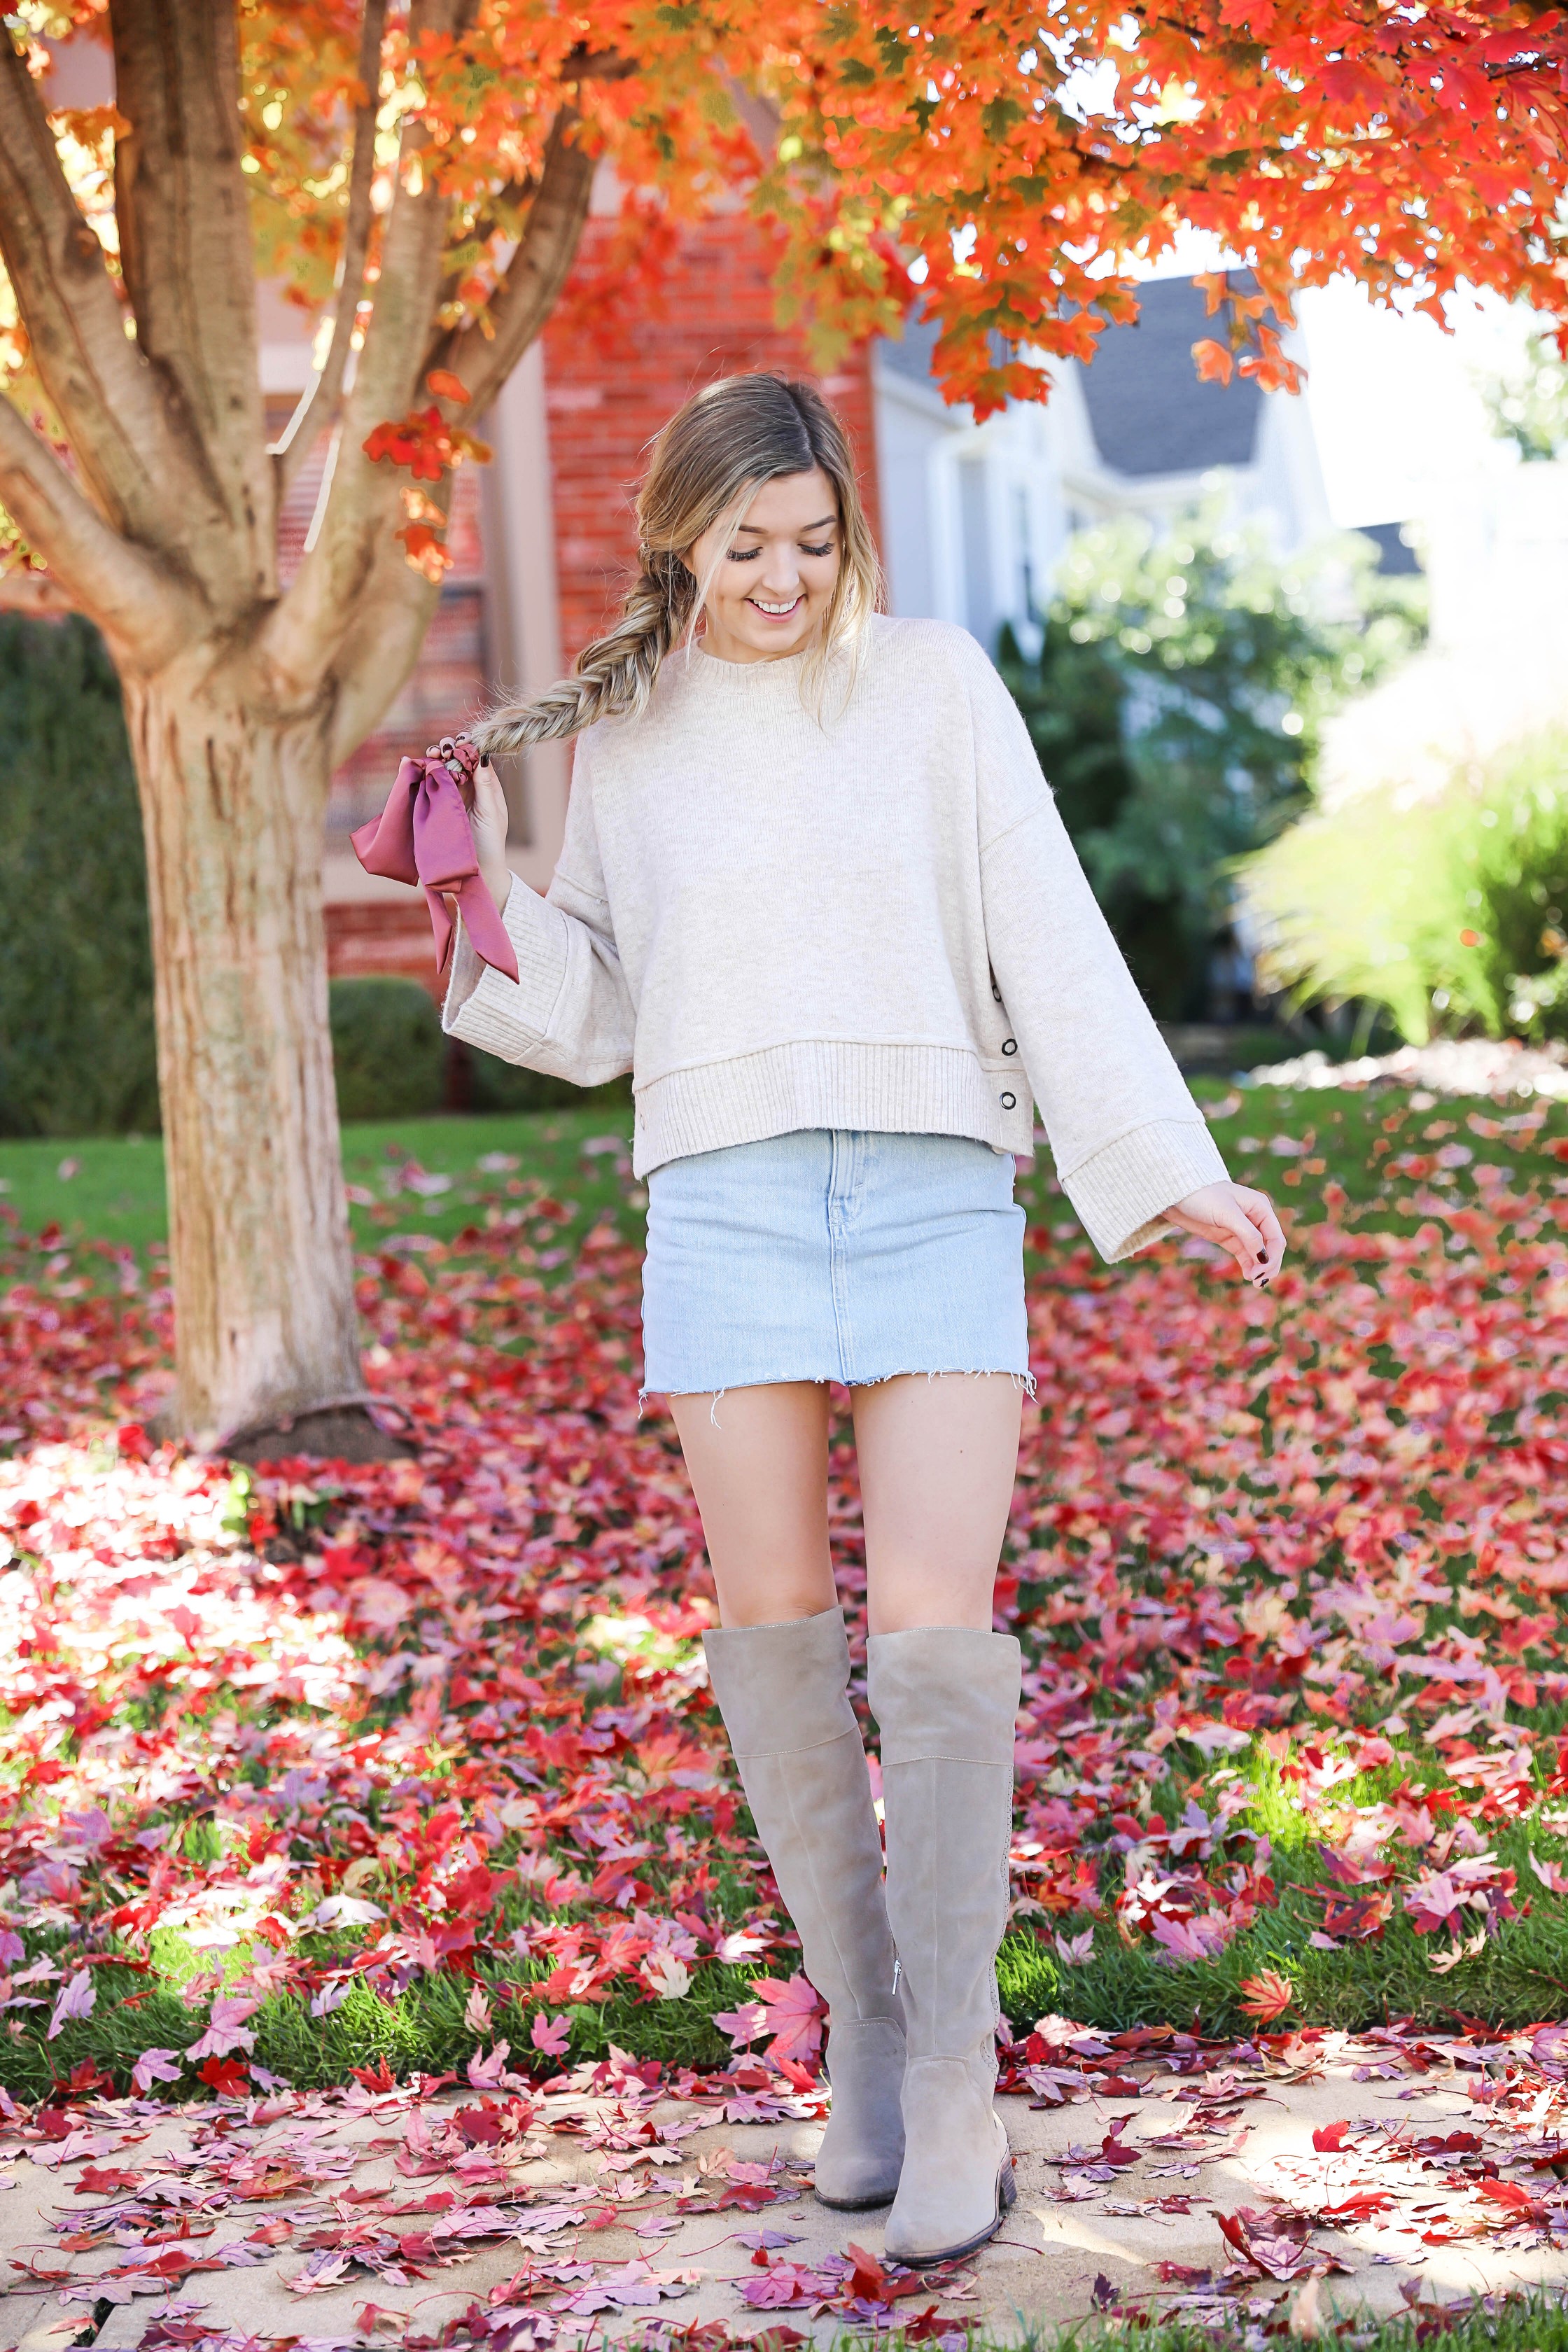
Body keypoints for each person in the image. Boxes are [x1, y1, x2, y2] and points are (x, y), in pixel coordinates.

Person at [444, 373, 1286, 2266]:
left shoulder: (929, 688)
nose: (784, 576)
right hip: (729, 1203)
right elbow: (592, 1013)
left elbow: (1044, 922)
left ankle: (963, 2095)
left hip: (929, 1190)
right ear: (683, 536)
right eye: (747, 546)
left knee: (934, 1631)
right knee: (771, 1627)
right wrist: (470, 896)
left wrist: (1164, 1164)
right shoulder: (634, 730)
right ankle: (876, 2058)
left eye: (814, 543)